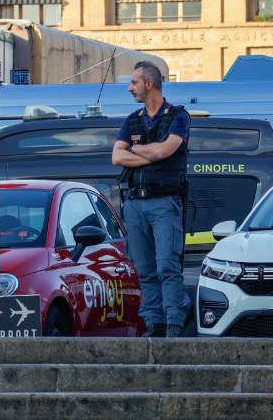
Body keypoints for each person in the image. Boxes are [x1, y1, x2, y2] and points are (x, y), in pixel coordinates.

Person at [111, 61, 192, 339]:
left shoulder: (178, 116)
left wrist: (135, 149)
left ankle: (173, 321)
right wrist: (149, 152)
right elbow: (116, 157)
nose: (129, 88)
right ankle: (154, 323)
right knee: (145, 269)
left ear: (149, 84)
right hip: (134, 204)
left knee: (167, 266)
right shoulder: (132, 119)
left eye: (134, 82)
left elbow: (165, 151)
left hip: (164, 202)